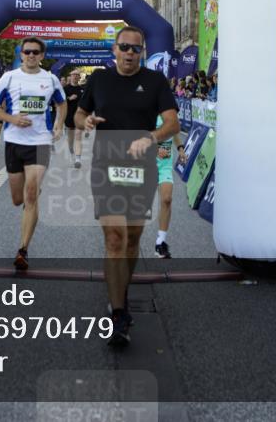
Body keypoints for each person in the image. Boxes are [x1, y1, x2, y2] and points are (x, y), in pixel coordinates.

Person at [75, 26, 178, 347]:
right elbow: (78, 115)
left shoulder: (155, 82)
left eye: (136, 48)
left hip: (141, 168)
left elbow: (172, 123)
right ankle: (118, 313)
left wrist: (151, 137)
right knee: (115, 238)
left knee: (132, 238)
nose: (130, 53)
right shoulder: (99, 80)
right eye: (124, 47)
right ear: (114, 50)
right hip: (105, 165)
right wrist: (87, 122)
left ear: (142, 52)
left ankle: (121, 287)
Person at [0, 37, 65, 270]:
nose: (31, 55)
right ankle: (30, 194)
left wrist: (59, 125)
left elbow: (62, 104)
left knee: (30, 195)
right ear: (21, 54)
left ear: (42, 55)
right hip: (13, 142)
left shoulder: (50, 79)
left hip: (40, 142)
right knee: (17, 199)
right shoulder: (9, 77)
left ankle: (23, 249)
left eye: (35, 52)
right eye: (27, 51)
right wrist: (12, 119)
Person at [154, 114, 187, 259]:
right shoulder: (147, 107)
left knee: (167, 199)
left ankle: (160, 242)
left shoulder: (169, 111)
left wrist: (180, 148)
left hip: (164, 166)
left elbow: (174, 132)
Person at [63, 70, 85, 168]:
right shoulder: (65, 89)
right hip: (69, 116)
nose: (75, 77)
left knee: (78, 136)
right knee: (71, 139)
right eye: (74, 75)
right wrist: (69, 98)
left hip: (79, 117)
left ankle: (78, 159)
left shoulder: (82, 89)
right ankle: (72, 151)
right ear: (70, 77)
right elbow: (60, 103)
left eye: (77, 75)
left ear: (79, 78)